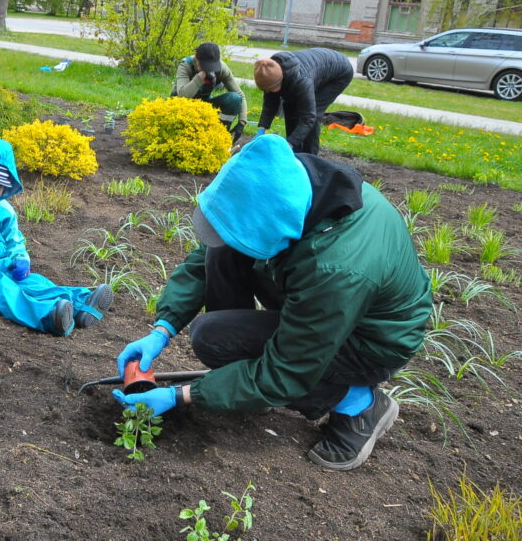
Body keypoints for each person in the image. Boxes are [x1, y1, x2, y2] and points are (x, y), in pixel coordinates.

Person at [114, 134, 431, 471]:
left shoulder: (338, 267)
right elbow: (207, 255)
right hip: (322, 304)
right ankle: (242, 384)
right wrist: (162, 329)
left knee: (216, 339)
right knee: (223, 253)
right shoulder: (291, 186)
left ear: (279, 231)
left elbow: (286, 373)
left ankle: (360, 404)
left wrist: (179, 396)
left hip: (370, 340)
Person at [0, 136, 113, 337]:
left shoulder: (4, 210)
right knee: (3, 292)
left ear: (6, 187)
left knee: (34, 283)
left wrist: (20, 258)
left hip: (1, 263)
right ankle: (48, 315)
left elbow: (13, 239)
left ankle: (81, 303)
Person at [252, 48, 354, 155]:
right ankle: (295, 153)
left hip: (338, 73)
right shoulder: (269, 74)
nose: (270, 92)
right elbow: (270, 105)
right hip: (317, 69)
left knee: (315, 111)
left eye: (272, 89)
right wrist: (261, 129)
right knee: (290, 106)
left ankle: (310, 156)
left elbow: (309, 117)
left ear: (280, 79)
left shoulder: (301, 81)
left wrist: (290, 143)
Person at [172, 42, 248, 145]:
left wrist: (242, 123)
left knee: (234, 98)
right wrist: (199, 77)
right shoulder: (186, 65)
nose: (207, 69)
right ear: (196, 57)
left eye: (210, 66)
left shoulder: (221, 68)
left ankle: (219, 136)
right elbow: (182, 95)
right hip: (181, 107)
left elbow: (240, 94)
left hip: (204, 105)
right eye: (204, 66)